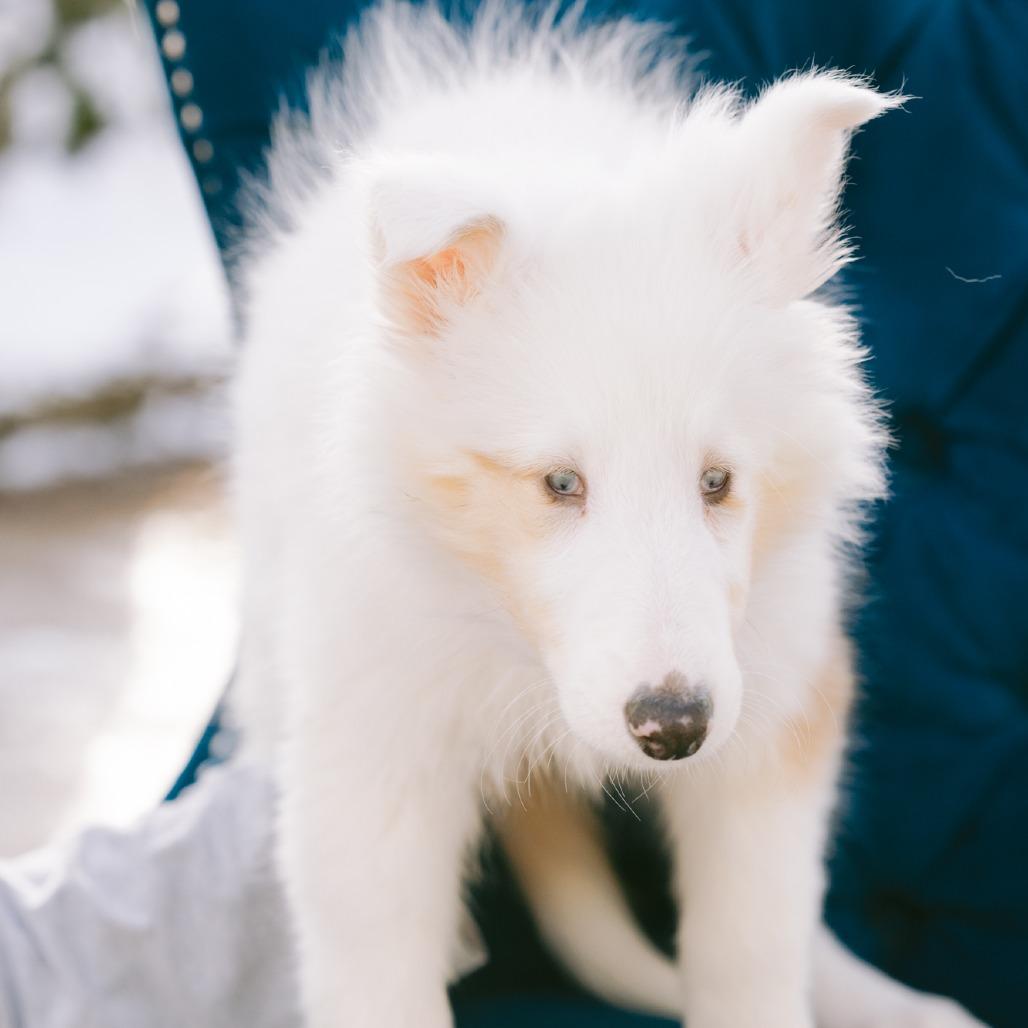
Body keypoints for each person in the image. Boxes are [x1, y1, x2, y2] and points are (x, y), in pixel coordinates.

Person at [0, 1, 1024, 1025]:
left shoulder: (739, 341)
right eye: (559, 486)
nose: (670, 658)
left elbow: (777, 735)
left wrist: (751, 991)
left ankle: (802, 969)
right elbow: (361, 800)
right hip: (359, 523)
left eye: (714, 483)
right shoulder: (425, 368)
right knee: (370, 791)